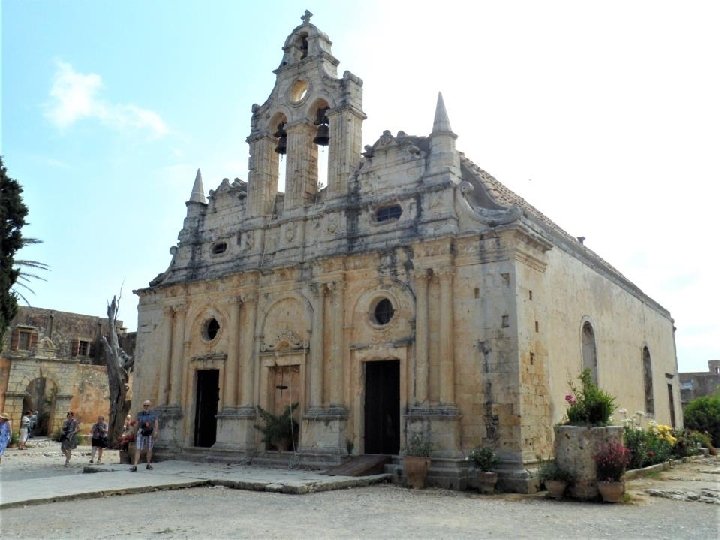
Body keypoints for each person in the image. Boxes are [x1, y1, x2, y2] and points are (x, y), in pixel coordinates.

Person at [130, 399, 159, 472]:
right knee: (138, 449)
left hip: (150, 433)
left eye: (147, 405)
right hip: (141, 432)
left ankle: (148, 464)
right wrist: (135, 432)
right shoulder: (139, 414)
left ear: (150, 406)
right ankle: (135, 465)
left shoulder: (154, 414)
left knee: (149, 449)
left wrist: (155, 432)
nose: (146, 407)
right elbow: (137, 424)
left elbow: (156, 424)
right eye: (144, 405)